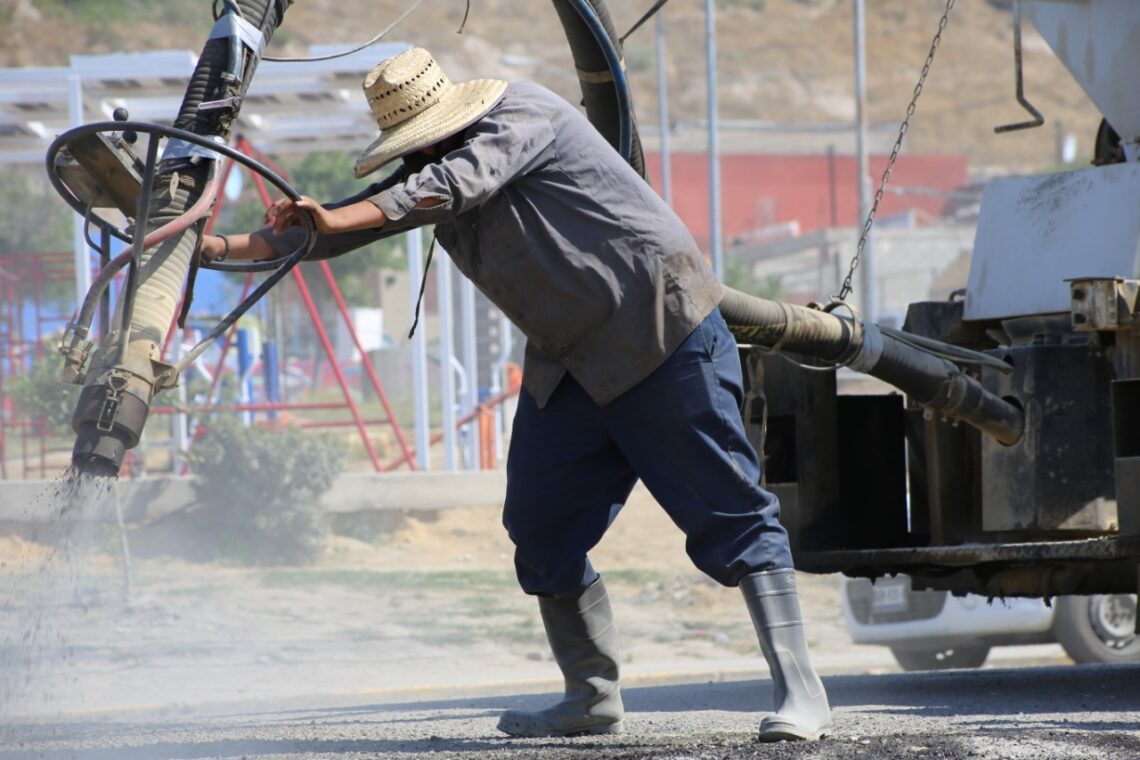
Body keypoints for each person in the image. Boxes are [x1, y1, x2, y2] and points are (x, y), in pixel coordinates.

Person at [200, 46, 831, 742]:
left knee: (730, 512)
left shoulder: (522, 114)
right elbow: (329, 231)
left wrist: (337, 218)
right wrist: (212, 248)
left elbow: (453, 184)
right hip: (573, 364)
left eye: (424, 140)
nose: (420, 155)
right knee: (540, 526)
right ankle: (590, 695)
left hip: (660, 330)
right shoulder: (427, 171)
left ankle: (802, 693)